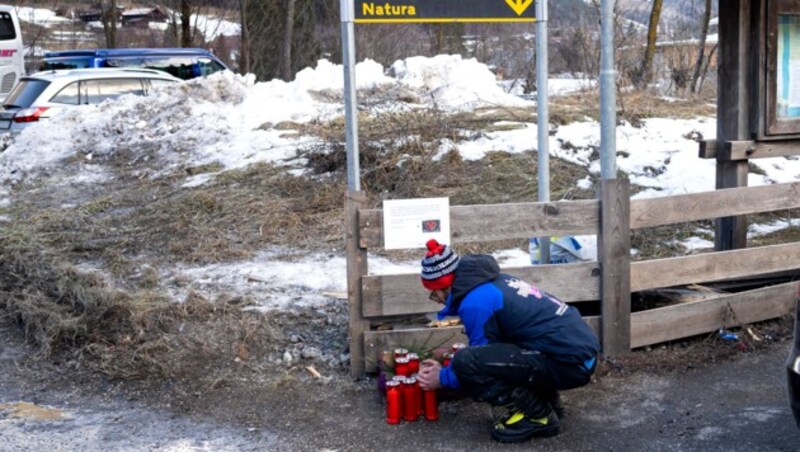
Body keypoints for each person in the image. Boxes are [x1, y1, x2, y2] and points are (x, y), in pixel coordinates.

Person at [416, 239, 600, 443]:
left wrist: (442, 378)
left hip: (569, 363)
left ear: (444, 285)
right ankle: (546, 401)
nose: (437, 299)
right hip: (576, 355)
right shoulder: (494, 282)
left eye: (434, 293)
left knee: (465, 362)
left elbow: (479, 357)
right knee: (503, 351)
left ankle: (537, 416)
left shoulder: (475, 302)